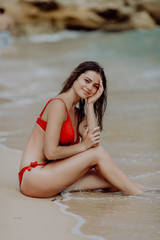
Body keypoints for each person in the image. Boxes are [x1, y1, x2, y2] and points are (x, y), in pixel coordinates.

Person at [19, 61, 145, 198]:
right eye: (87, 80)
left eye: (95, 86)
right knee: (99, 154)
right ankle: (140, 196)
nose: (89, 87)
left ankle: (151, 192)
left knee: (112, 179)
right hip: (34, 177)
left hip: (51, 174)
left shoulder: (78, 114)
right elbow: (50, 152)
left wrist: (90, 104)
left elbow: (94, 144)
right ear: (76, 77)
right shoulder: (58, 105)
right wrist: (83, 145)